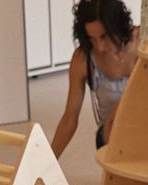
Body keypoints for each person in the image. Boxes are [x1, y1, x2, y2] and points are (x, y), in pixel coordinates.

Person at [49, 0, 138, 158]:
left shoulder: (143, 42)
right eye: (92, 39)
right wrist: (47, 162)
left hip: (144, 128)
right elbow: (70, 117)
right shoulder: (82, 59)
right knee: (120, 112)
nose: (100, 46)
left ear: (117, 26)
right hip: (110, 134)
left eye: (104, 36)